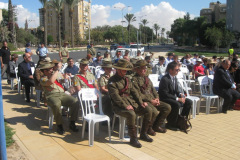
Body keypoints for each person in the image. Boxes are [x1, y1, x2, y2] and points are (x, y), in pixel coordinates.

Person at [108, 59, 154, 148]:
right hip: (118, 106)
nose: (125, 72)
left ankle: (144, 133)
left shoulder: (127, 79)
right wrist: (125, 106)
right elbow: (116, 97)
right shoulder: (112, 81)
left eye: (126, 70)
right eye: (123, 70)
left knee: (148, 110)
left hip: (131, 102)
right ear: (118, 70)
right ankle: (133, 139)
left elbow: (134, 92)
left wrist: (141, 102)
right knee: (131, 114)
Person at [39, 61, 79, 135]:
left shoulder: (55, 74)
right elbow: (50, 81)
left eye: (52, 69)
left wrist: (65, 79)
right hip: (52, 96)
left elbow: (61, 80)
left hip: (62, 94)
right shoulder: (43, 79)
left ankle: (72, 122)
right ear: (45, 71)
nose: (52, 70)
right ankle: (59, 125)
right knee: (56, 104)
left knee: (75, 102)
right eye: (50, 69)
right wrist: (57, 70)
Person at [133, 60, 171, 133]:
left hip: (152, 100)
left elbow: (153, 89)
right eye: (142, 68)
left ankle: (156, 125)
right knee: (153, 110)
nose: (144, 70)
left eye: (145, 68)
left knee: (167, 107)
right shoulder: (134, 80)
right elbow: (138, 94)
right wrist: (151, 100)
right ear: (137, 69)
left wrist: (157, 98)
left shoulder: (147, 78)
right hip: (143, 101)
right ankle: (148, 128)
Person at [158, 61, 192, 130]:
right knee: (176, 104)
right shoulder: (165, 79)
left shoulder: (174, 77)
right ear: (170, 70)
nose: (178, 71)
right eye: (177, 70)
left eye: (178, 70)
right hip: (165, 98)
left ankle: (181, 121)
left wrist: (180, 94)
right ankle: (171, 124)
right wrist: (177, 98)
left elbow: (175, 90)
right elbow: (165, 93)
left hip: (172, 97)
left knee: (188, 102)